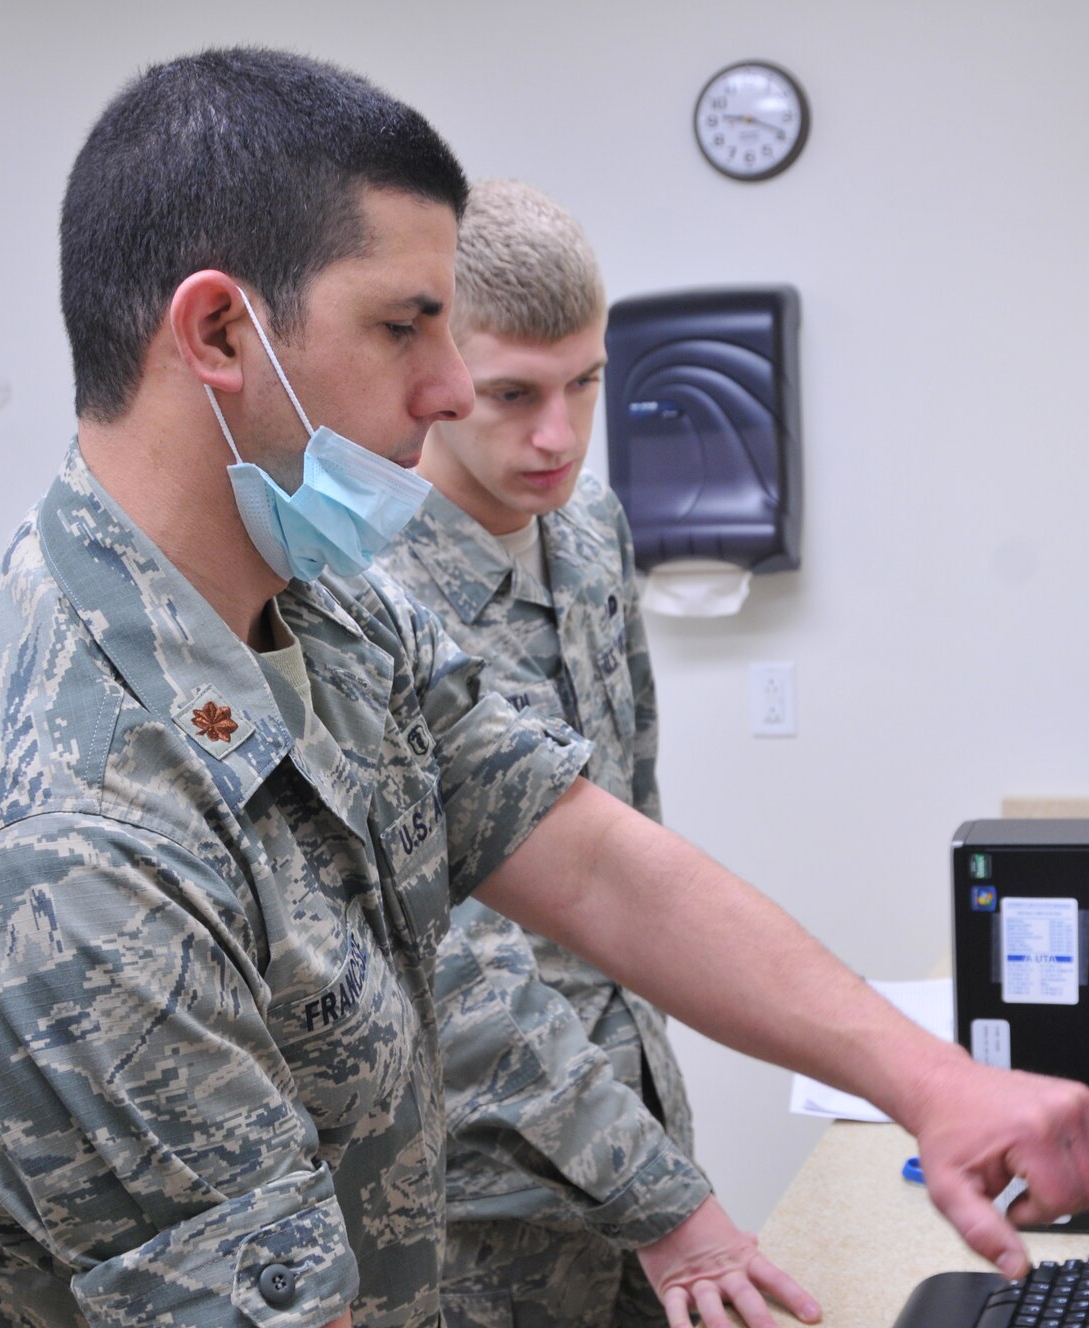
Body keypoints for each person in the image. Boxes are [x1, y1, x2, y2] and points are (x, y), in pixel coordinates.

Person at [0, 47, 1089, 1328]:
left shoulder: (319, 607)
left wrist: (937, 1086)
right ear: (217, 335)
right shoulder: (63, 845)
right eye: (403, 329)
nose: (448, 394)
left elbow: (599, 864)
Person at [369, 179, 766, 1328]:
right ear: (438, 376)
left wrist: (655, 1167)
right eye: (510, 394)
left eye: (584, 383)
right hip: (477, 1208)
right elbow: (448, 968)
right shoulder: (364, 596)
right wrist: (659, 1196)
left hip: (639, 1134)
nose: (555, 434)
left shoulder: (590, 530)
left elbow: (631, 842)